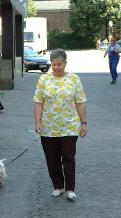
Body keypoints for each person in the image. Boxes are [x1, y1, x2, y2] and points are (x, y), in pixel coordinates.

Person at [33, 49, 87, 201]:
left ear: (65, 63)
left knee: (68, 156)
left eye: (59, 64)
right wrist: (37, 122)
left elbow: (80, 102)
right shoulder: (44, 80)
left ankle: (70, 188)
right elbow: (38, 103)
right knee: (52, 158)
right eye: (54, 64)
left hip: (69, 125)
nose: (56, 67)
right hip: (48, 126)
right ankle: (58, 186)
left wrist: (84, 123)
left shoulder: (74, 79)